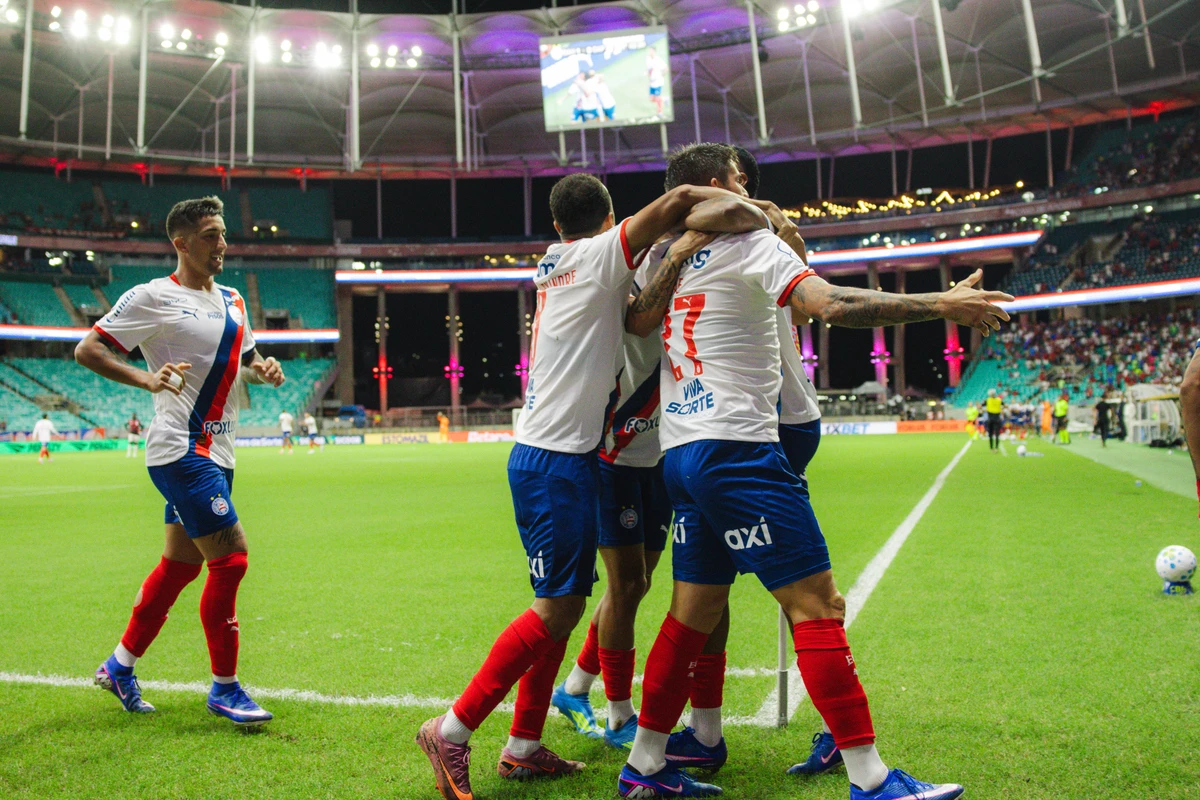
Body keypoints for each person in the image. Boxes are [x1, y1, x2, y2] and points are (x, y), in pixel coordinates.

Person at [614, 142, 1011, 800]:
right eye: (744, 181)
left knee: (692, 615)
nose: (758, 193)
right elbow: (830, 306)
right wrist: (939, 303)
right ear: (718, 186)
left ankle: (646, 764)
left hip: (681, 453)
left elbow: (640, 317)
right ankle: (871, 779)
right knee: (817, 605)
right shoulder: (750, 243)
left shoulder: (673, 262)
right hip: (738, 450)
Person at [415, 172, 766, 800]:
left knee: (568, 603)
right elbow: (682, 202)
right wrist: (757, 214)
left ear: (556, 226)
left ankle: (522, 746)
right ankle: (452, 728)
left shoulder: (554, 263)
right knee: (556, 607)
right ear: (610, 220)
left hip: (564, 456)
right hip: (554, 460)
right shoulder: (603, 254)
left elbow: (633, 316)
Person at [75, 195, 286, 727]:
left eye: (222, 233)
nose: (222, 244)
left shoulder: (235, 299)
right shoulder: (152, 296)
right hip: (179, 449)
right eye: (211, 235)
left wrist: (263, 369)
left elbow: (246, 358)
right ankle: (225, 688)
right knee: (231, 558)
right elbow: (88, 349)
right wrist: (147, 377)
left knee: (179, 568)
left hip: (220, 450)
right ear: (182, 243)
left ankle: (119, 665)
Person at [647, 48, 666, 116]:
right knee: (651, 99)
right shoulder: (648, 59)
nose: (650, 52)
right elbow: (649, 70)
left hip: (658, 83)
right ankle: (664, 99)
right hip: (652, 83)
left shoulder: (658, 60)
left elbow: (666, 68)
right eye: (649, 51)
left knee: (657, 98)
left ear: (654, 52)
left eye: (651, 51)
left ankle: (660, 112)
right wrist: (649, 76)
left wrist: (661, 76)